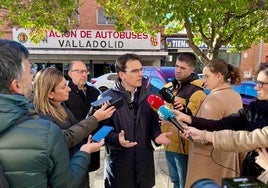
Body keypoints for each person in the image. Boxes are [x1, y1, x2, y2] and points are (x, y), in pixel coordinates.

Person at [0, 39, 104, 187]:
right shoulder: (43, 127)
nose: (32, 78)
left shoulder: (78, 99)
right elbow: (65, 183)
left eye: (85, 70)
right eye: (30, 72)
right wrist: (85, 152)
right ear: (16, 85)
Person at [175, 64, 268, 180]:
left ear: (219, 76)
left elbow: (246, 139)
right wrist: (187, 118)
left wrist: (204, 135)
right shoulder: (253, 108)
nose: (256, 88)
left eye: (261, 83)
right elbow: (221, 124)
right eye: (256, 82)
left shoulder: (216, 98)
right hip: (250, 172)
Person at [33, 67, 115, 187]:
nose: (69, 89)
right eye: (63, 87)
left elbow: (77, 130)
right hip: (64, 175)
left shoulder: (62, 107)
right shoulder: (41, 117)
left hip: (78, 167)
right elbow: (65, 138)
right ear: (50, 93)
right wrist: (95, 118)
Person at [100, 53, 172, 188]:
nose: (140, 74)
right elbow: (100, 132)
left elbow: (153, 124)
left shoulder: (149, 96)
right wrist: (116, 139)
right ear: (122, 75)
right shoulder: (105, 98)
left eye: (141, 69)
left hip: (144, 167)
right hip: (119, 168)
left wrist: (157, 135)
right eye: (135, 71)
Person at [172, 58, 243, 187]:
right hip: (227, 158)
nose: (203, 80)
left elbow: (205, 131)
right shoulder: (235, 95)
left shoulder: (214, 99)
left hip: (208, 161)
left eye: (206, 76)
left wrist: (187, 131)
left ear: (219, 76)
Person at [160, 52, 206, 188]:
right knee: (175, 181)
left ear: (191, 70)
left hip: (185, 146)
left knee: (184, 183)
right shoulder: (169, 87)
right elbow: (158, 108)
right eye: (176, 66)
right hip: (169, 142)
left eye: (183, 68)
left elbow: (195, 119)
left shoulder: (197, 91)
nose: (178, 71)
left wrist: (184, 110)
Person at [64, 60, 103, 188]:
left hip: (93, 140)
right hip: (74, 144)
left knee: (88, 176)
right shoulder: (65, 94)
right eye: (79, 71)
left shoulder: (94, 92)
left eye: (85, 71)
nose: (83, 74)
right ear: (70, 73)